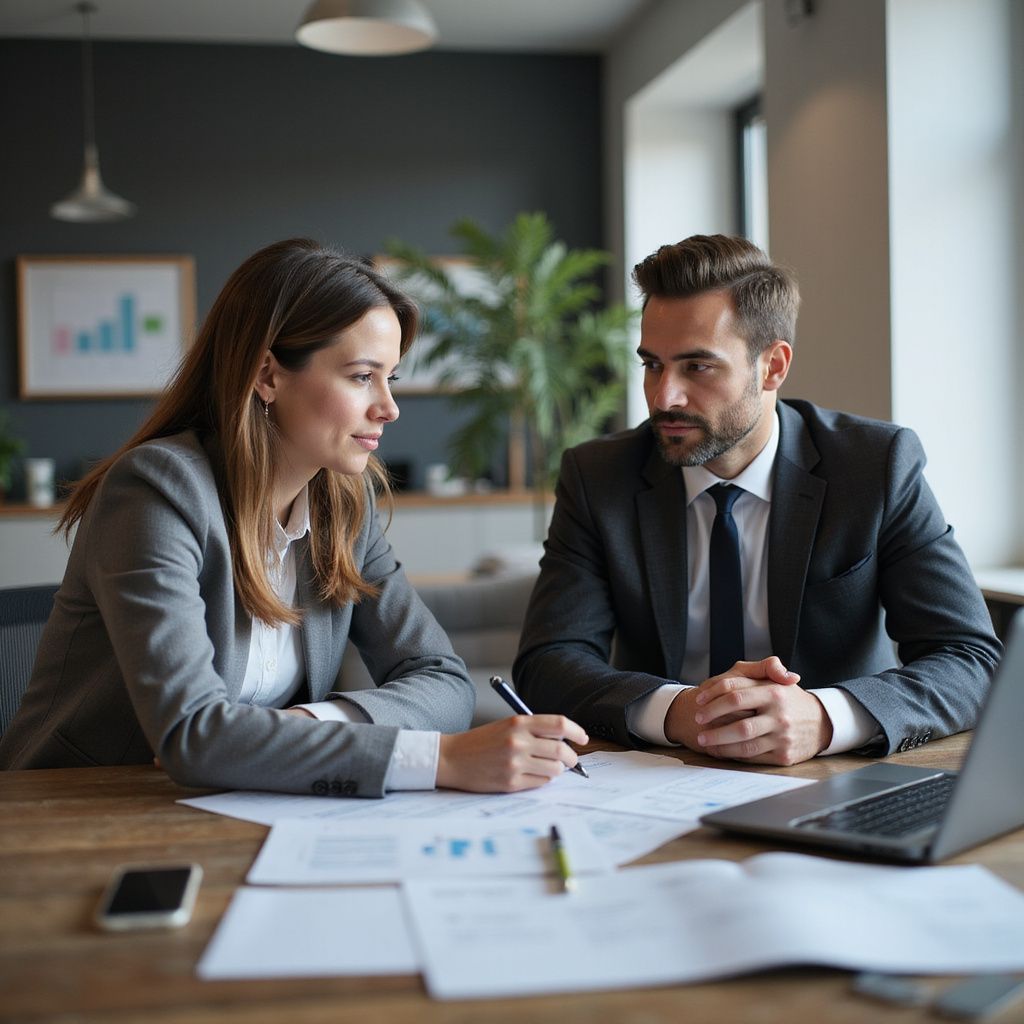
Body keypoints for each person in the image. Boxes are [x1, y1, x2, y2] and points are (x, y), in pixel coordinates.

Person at [0, 238, 586, 795]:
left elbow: (443, 678)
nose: (389, 407)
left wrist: (313, 721)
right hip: (86, 806)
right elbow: (192, 737)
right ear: (267, 375)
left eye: (391, 377)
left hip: (251, 799)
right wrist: (440, 759)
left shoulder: (343, 508)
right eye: (362, 376)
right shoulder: (157, 490)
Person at [514, 234, 1000, 766]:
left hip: (835, 774)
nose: (663, 396)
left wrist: (826, 716)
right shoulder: (599, 475)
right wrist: (679, 711)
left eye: (697, 367)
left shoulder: (874, 466)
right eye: (652, 364)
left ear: (773, 367)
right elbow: (548, 662)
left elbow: (968, 658)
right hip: (660, 775)